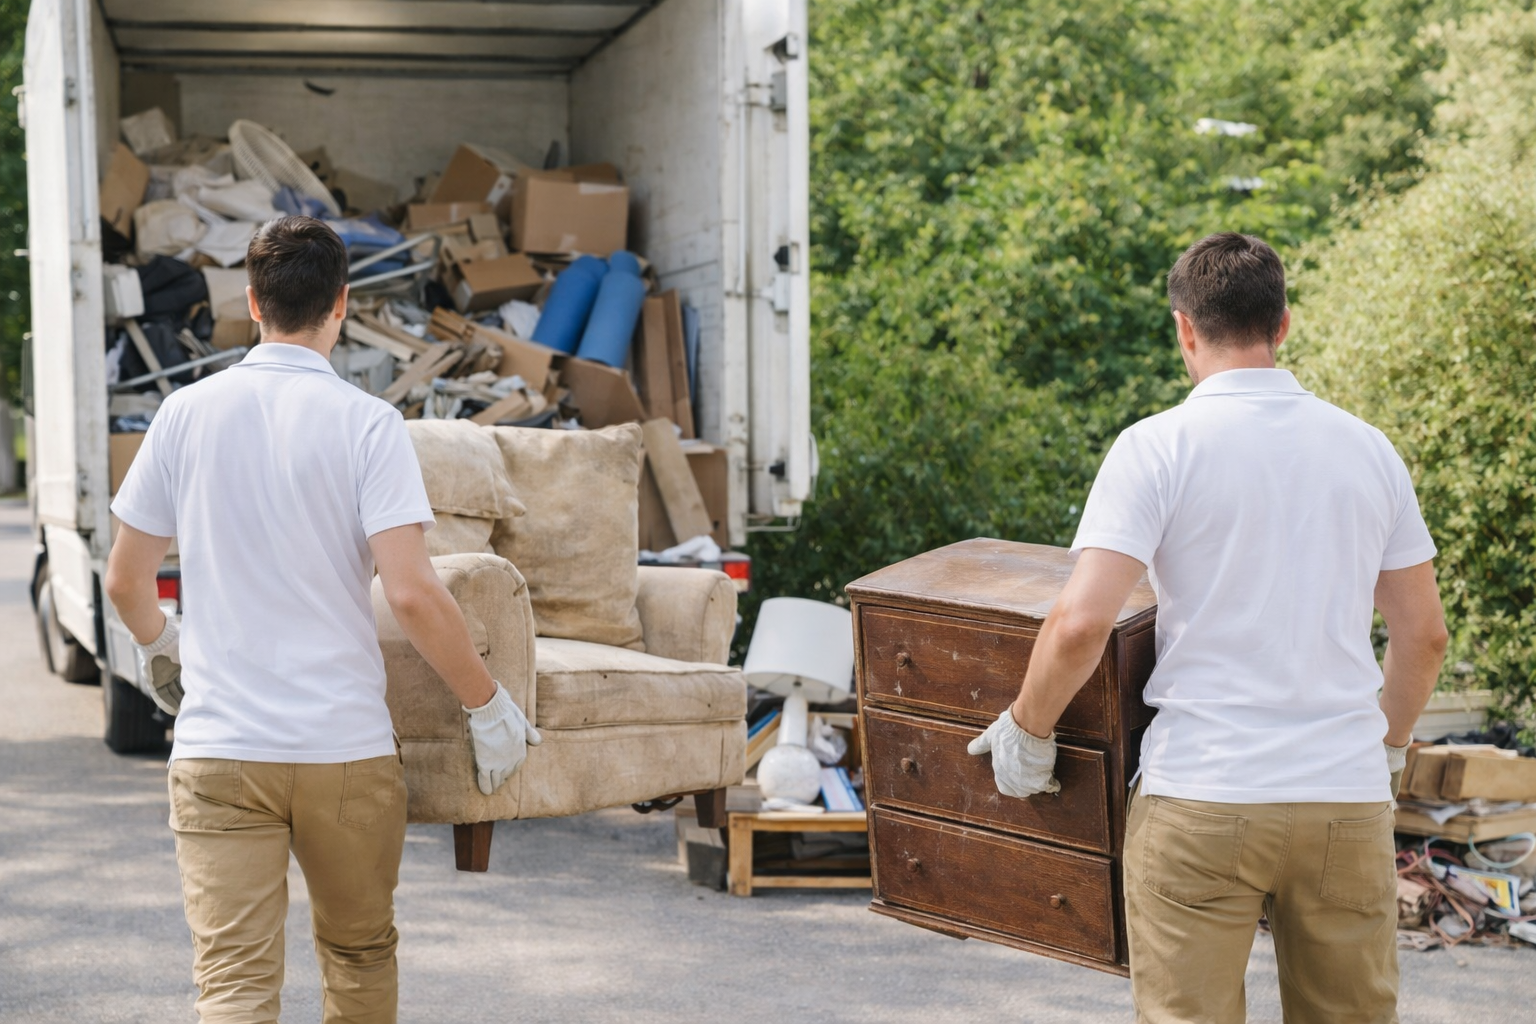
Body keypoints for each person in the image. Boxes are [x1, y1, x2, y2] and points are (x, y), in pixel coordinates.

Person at [968, 233, 1447, 1023]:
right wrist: (1386, 745)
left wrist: (1029, 727)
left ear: (1184, 329)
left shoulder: (1154, 449)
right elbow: (1422, 635)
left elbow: (1083, 621)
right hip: (1343, 798)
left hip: (1202, 794)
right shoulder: (1369, 452)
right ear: (1283, 324)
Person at [104, 216, 539, 1024]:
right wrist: (486, 703)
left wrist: (165, 650)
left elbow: (127, 579)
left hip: (220, 752)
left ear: (251, 302)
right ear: (341, 304)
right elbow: (410, 593)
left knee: (233, 984)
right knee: (359, 957)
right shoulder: (367, 423)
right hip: (344, 754)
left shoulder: (184, 415)